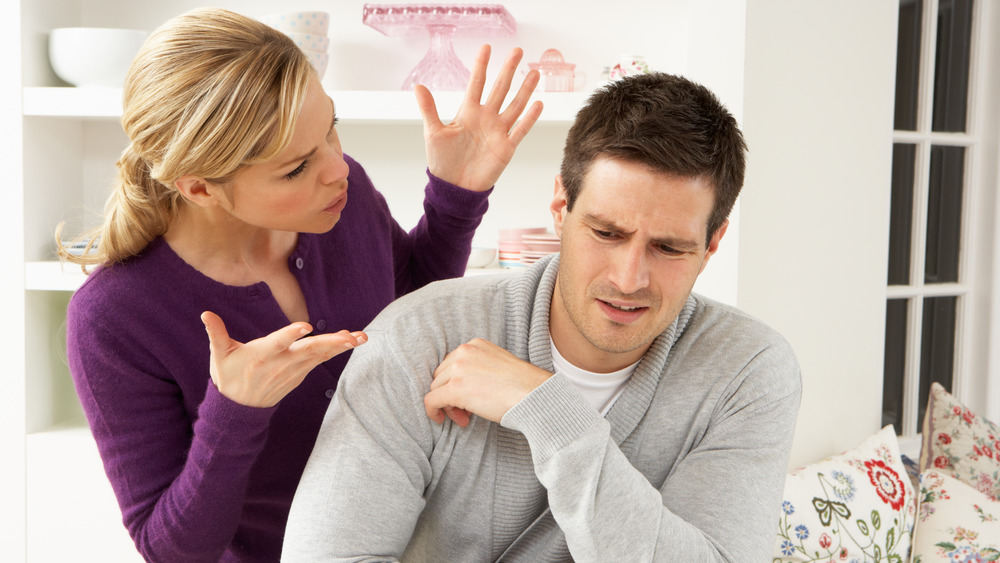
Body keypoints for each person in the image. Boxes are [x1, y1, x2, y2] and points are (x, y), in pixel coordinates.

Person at [62, 7, 542, 562]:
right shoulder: (114, 318)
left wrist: (455, 196)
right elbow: (172, 551)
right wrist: (234, 411)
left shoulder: (346, 197)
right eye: (295, 168)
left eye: (332, 128)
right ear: (198, 189)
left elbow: (406, 306)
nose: (337, 168)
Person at [282, 72, 802, 562]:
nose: (629, 279)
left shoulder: (748, 370)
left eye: (669, 248)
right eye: (606, 233)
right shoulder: (417, 336)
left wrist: (552, 415)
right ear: (559, 205)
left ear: (713, 244)